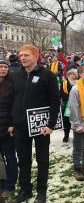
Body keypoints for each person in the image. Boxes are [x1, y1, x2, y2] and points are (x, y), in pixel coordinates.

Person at [11, 44, 60, 203]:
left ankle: (41, 191)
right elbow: (11, 100)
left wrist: (51, 125)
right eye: (21, 55)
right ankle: (25, 189)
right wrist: (12, 123)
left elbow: (55, 101)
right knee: (23, 160)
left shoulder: (48, 75)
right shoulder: (15, 75)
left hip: (41, 127)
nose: (22, 58)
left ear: (36, 56)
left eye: (26, 55)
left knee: (42, 159)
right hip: (20, 127)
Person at [0, 58, 17, 199]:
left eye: (5, 67)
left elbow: (15, 107)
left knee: (10, 158)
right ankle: (2, 183)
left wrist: (12, 124)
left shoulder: (12, 84)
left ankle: (10, 185)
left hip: (8, 129)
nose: (3, 69)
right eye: (0, 67)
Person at [60, 69, 78, 142]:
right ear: (68, 75)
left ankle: (76, 136)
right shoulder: (64, 83)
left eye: (74, 74)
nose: (72, 76)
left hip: (76, 105)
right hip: (67, 104)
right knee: (66, 120)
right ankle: (66, 135)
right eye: (71, 74)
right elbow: (61, 93)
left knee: (76, 120)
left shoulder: (78, 83)